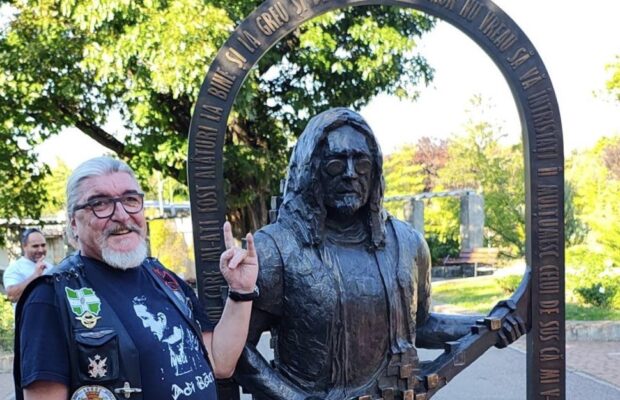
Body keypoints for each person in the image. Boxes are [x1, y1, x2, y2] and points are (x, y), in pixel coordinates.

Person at [235, 108, 523, 400]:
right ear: (311, 170)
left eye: (361, 163)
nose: (350, 174)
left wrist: (492, 324)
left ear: (374, 170)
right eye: (336, 164)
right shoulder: (276, 249)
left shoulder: (407, 245)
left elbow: (420, 326)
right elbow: (237, 348)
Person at [13, 156, 258, 400]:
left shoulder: (164, 278)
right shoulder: (50, 296)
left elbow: (219, 361)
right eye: (100, 204)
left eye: (131, 199)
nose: (121, 214)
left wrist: (241, 290)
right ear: (73, 223)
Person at [3, 228, 53, 305]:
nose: (40, 250)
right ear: (24, 246)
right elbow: (12, 296)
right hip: (28, 316)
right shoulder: (14, 269)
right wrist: (35, 275)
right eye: (35, 246)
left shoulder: (51, 267)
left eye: (43, 245)